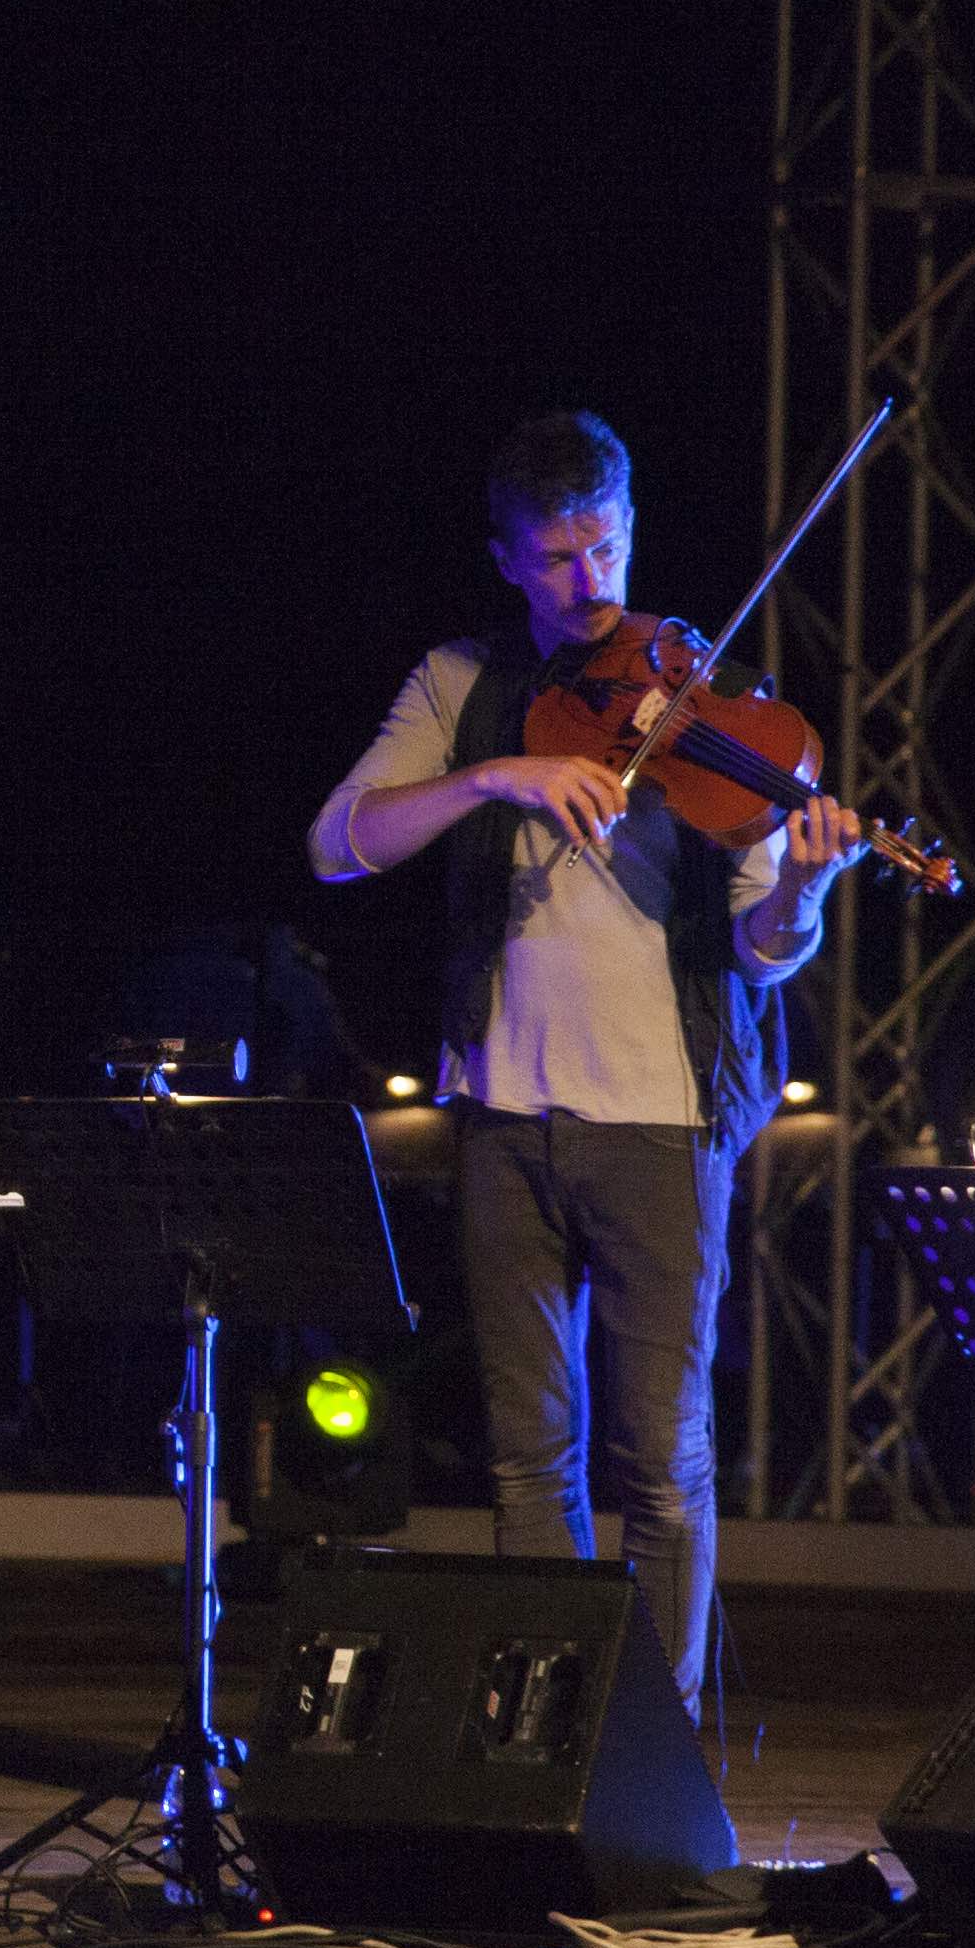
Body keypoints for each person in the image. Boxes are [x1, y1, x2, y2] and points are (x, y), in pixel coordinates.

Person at [305, 411, 857, 1704]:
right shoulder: (459, 685)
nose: (589, 581)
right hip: (502, 1113)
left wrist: (810, 891)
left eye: (606, 545)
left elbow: (765, 945)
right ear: (507, 559)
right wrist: (497, 777)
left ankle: (657, 1750)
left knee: (661, 1461)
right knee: (525, 1456)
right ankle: (536, 1727)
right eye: (556, 558)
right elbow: (340, 842)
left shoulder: (704, 694)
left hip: (661, 1122)